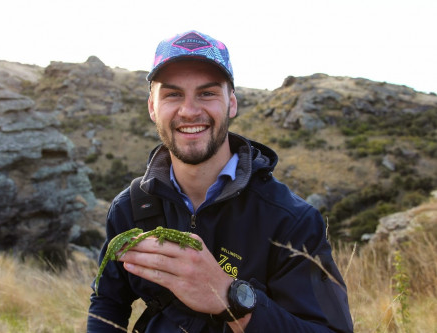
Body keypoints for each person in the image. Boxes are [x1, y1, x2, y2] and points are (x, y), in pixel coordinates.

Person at [87, 30, 353, 333]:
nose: (189, 111)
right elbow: (108, 301)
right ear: (152, 107)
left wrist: (231, 299)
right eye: (173, 94)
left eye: (207, 93)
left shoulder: (290, 220)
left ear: (231, 104)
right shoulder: (130, 208)